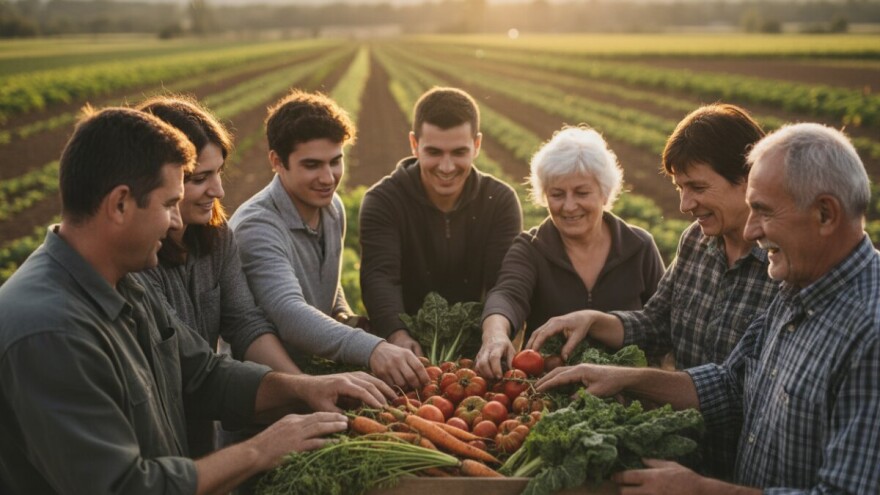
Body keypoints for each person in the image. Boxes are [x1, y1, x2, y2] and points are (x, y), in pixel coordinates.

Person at [0, 106, 394, 494]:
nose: (176, 222)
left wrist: (303, 389)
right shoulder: (50, 332)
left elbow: (203, 374)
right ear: (120, 204)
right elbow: (125, 486)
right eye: (170, 204)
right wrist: (260, 449)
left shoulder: (120, 281)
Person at [535, 123, 880, 494]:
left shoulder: (869, 332)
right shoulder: (797, 284)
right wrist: (625, 377)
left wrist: (702, 490)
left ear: (825, 214)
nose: (751, 232)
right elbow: (732, 384)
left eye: (762, 211)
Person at [526, 104, 779, 478]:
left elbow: (742, 388)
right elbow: (657, 322)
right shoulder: (696, 240)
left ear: (747, 178)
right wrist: (592, 320)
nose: (684, 204)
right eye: (680, 188)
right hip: (681, 453)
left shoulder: (783, 264)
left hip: (746, 470)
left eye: (697, 187)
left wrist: (629, 379)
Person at [136, 95, 304, 458]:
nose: (218, 190)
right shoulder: (136, 262)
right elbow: (192, 368)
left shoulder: (217, 236)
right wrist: (300, 393)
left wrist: (304, 388)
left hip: (203, 424)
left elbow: (244, 324)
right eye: (200, 179)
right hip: (155, 439)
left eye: (218, 173)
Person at [229, 90, 428, 390]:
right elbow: (288, 311)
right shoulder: (258, 226)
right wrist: (372, 348)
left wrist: (345, 316)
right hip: (265, 391)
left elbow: (328, 285)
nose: (328, 177)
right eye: (312, 165)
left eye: (335, 161)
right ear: (276, 161)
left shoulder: (331, 208)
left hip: (315, 377)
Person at [475, 126, 665, 379]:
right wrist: (495, 335)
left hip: (628, 393)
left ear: (605, 192)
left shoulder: (639, 247)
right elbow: (507, 295)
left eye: (582, 192)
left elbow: (665, 323)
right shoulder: (530, 249)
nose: (569, 206)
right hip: (551, 393)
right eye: (557, 194)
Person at [359, 87, 523, 358]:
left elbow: (503, 283)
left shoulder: (500, 200)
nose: (446, 167)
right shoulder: (383, 200)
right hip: (404, 348)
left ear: (477, 145)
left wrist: (494, 333)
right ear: (414, 144)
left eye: (459, 152)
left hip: (477, 344)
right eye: (434, 152)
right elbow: (380, 278)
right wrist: (397, 334)